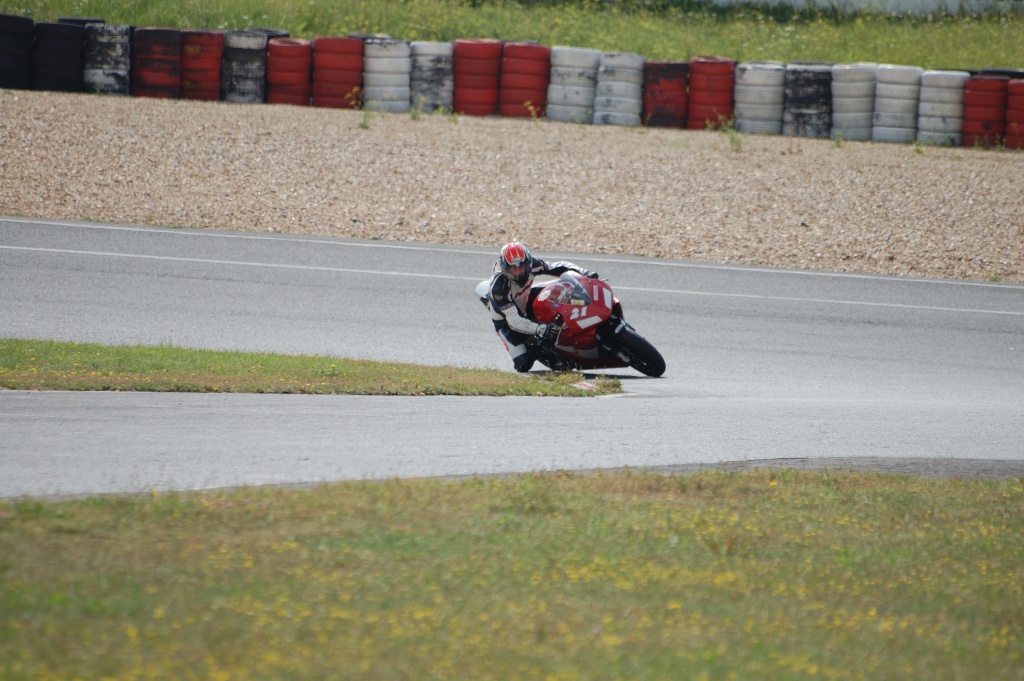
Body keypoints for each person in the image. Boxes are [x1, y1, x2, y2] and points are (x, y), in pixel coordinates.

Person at [484, 241, 599, 372]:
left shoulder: (533, 264)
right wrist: (541, 329)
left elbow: (558, 267)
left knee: (560, 293)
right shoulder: (499, 288)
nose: (517, 273)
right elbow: (514, 321)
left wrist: (584, 272)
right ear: (504, 268)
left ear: (527, 263)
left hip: (526, 297)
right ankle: (539, 349)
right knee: (523, 364)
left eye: (521, 267)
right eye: (512, 269)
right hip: (506, 320)